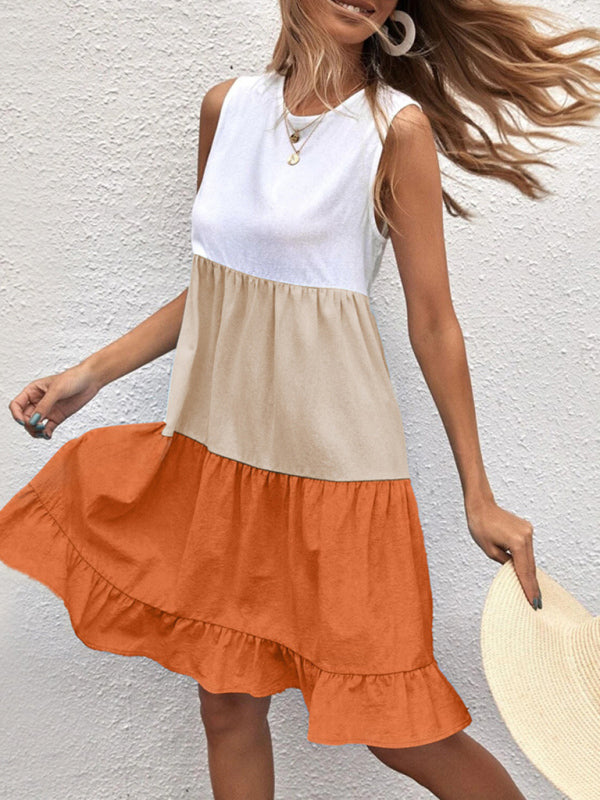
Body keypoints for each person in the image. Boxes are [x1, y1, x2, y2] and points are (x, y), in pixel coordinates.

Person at [1, 1, 598, 798]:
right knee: (227, 707)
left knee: (400, 728)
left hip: (338, 469)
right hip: (221, 451)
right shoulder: (226, 108)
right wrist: (93, 371)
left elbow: (434, 322)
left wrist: (478, 494)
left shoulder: (396, 130)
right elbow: (222, 283)